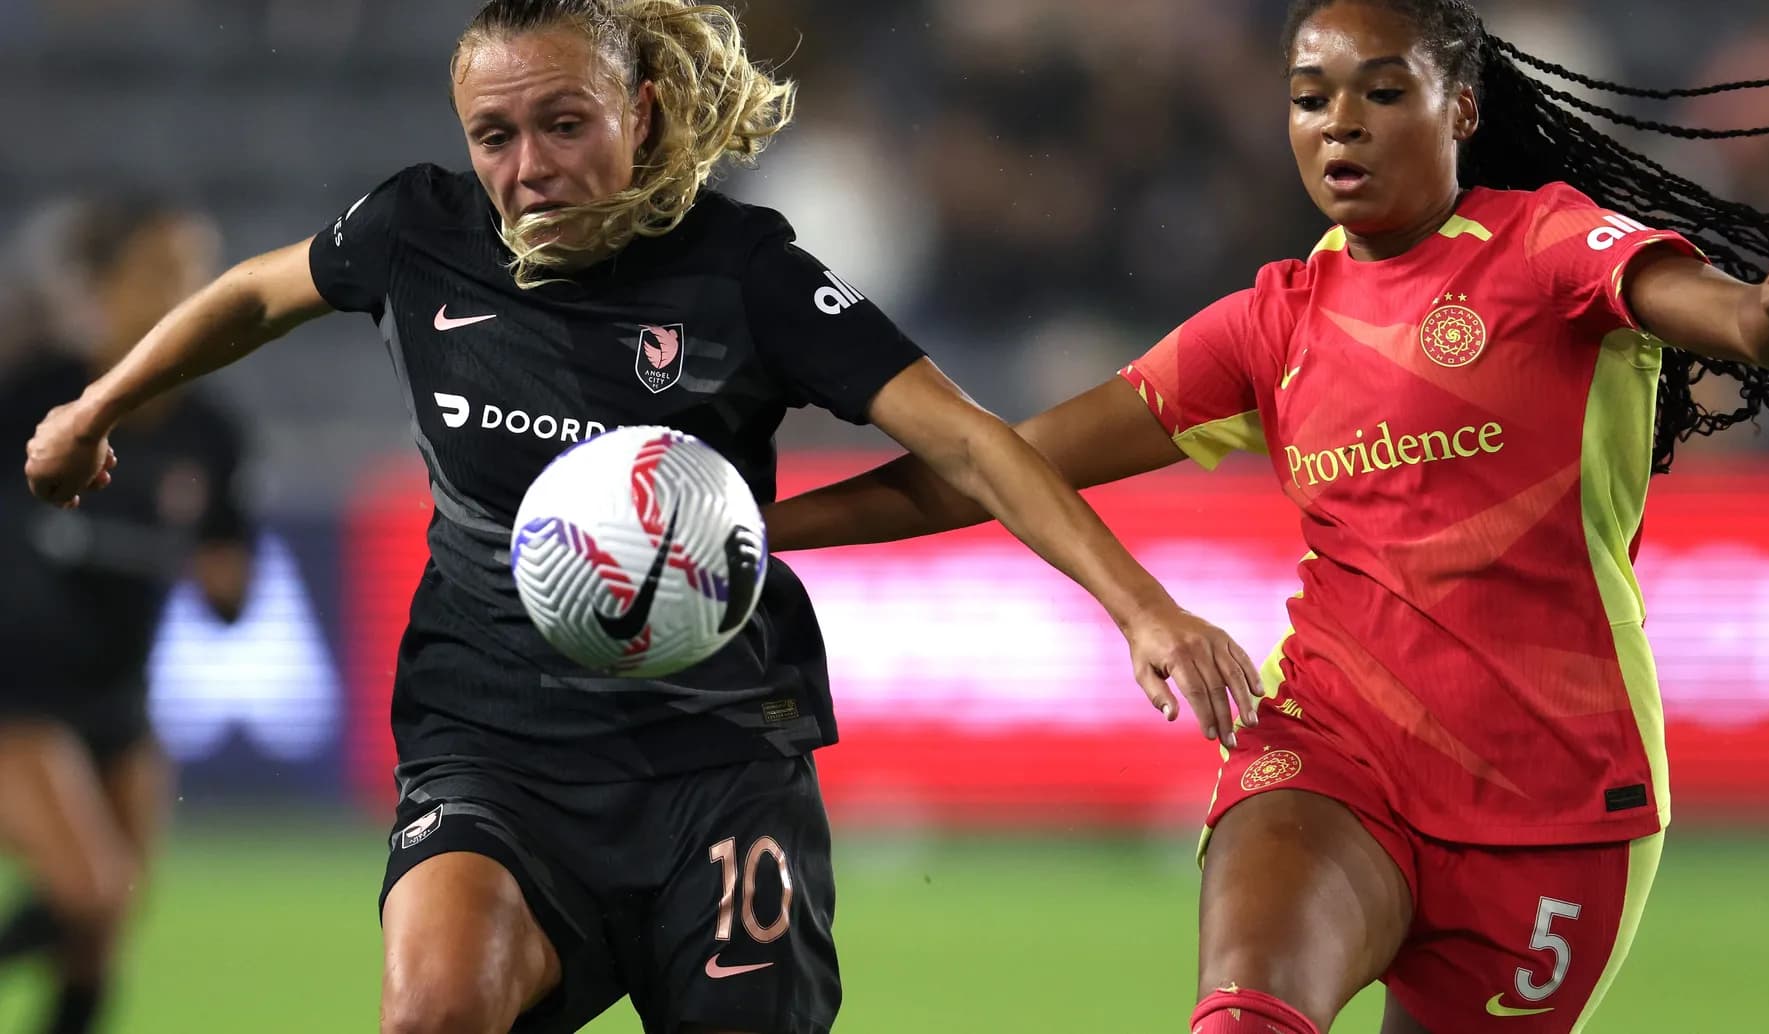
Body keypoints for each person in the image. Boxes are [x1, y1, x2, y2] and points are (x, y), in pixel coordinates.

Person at [22, 2, 1260, 1033]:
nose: (527, 167)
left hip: (716, 761)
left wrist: (1142, 608)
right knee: (431, 1010)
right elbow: (250, 293)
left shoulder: (746, 271)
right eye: (493, 136)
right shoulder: (422, 229)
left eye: (565, 123)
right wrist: (100, 406)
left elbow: (972, 442)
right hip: (490, 746)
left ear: (644, 111)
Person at [760, 2, 1769, 1032]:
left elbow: (1727, 318)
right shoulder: (1270, 323)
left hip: (1558, 798)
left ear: (1461, 109)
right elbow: (997, 464)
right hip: (1331, 751)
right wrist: (765, 524)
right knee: (1246, 1008)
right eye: (1310, 97)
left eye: (1384, 91)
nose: (1340, 122)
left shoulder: (1544, 246)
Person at [0, 195, 253, 1034]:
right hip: (20, 696)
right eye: (160, 272)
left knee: (105, 924)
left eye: (196, 272)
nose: (186, 291)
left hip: (121, 699)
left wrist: (226, 582)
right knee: (90, 889)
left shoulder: (214, 433)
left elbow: (231, 588)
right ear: (100, 288)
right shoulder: (31, 396)